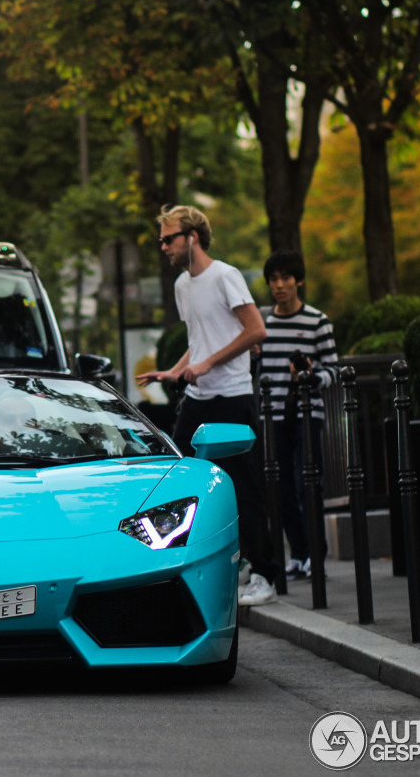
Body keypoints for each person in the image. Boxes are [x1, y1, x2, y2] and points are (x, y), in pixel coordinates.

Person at [137, 204, 279, 606]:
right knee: (180, 476)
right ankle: (201, 564)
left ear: (192, 237)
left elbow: (256, 330)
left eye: (169, 238)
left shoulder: (225, 276)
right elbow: (199, 340)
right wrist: (175, 370)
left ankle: (265, 574)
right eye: (162, 240)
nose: (163, 246)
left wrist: (208, 364)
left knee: (243, 486)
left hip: (233, 396)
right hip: (198, 398)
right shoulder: (183, 285)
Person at [257, 251, 338, 581]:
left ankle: (315, 556)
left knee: (309, 484)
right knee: (280, 488)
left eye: (285, 278)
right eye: (273, 279)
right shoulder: (263, 324)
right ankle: (299, 553)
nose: (279, 285)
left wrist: (311, 380)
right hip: (272, 414)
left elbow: (334, 369)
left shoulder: (318, 322)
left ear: (298, 281)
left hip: (308, 411)